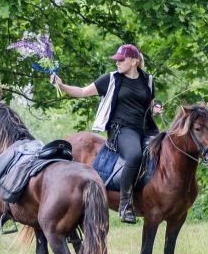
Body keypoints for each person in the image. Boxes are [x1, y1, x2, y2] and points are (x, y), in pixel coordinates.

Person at [52, 44, 162, 223]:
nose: (117, 62)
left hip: (146, 129)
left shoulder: (147, 80)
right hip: (123, 130)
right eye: (116, 59)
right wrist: (62, 86)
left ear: (134, 61)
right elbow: (82, 92)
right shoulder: (110, 79)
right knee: (134, 155)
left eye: (121, 59)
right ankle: (125, 204)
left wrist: (155, 107)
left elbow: (148, 104)